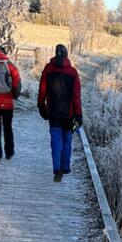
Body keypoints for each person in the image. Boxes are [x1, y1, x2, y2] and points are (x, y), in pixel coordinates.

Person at [37, 44, 83, 181]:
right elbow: (76, 96)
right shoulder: (73, 73)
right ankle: (66, 166)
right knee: (67, 139)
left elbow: (42, 90)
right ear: (66, 55)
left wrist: (41, 106)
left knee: (55, 139)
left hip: (53, 112)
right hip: (68, 113)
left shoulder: (48, 69)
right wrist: (79, 114)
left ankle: (57, 168)